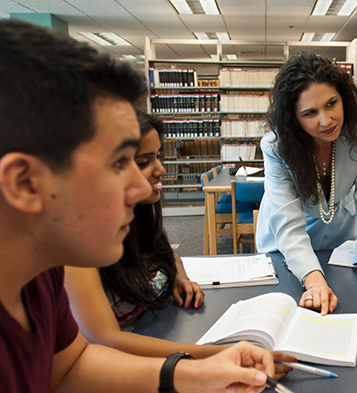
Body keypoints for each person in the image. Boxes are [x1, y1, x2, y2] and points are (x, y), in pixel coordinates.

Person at [0, 19, 274, 393]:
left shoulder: (41, 271)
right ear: (25, 184)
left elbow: (71, 365)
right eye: (118, 163)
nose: (139, 186)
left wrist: (192, 375)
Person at [63, 110, 293, 376]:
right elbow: (107, 340)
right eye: (144, 161)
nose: (161, 169)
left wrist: (178, 278)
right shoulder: (76, 254)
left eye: (158, 156)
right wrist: (221, 354)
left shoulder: (137, 216)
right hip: (126, 368)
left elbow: (163, 252)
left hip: (160, 333)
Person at [256, 51, 357, 315]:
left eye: (331, 103)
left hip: (340, 236)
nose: (326, 121)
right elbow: (288, 222)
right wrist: (312, 277)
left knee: (353, 301)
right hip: (285, 244)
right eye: (310, 113)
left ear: (343, 98)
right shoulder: (277, 146)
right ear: (293, 118)